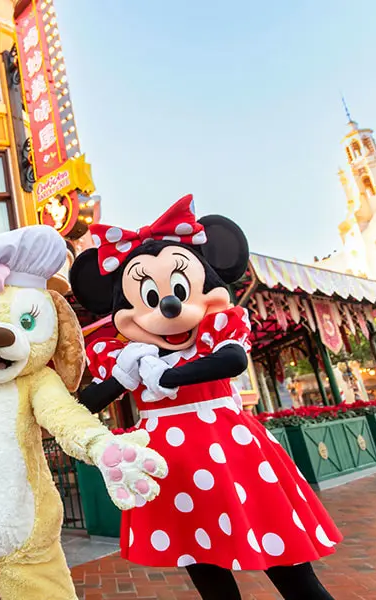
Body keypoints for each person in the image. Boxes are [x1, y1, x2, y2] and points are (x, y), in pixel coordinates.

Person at [69, 195, 340, 600]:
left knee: (291, 573)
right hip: (172, 471)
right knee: (208, 576)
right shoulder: (129, 355)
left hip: (235, 459)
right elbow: (82, 407)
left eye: (179, 288)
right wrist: (121, 379)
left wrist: (173, 374)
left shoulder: (216, 331)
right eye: (149, 296)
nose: (169, 303)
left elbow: (233, 360)